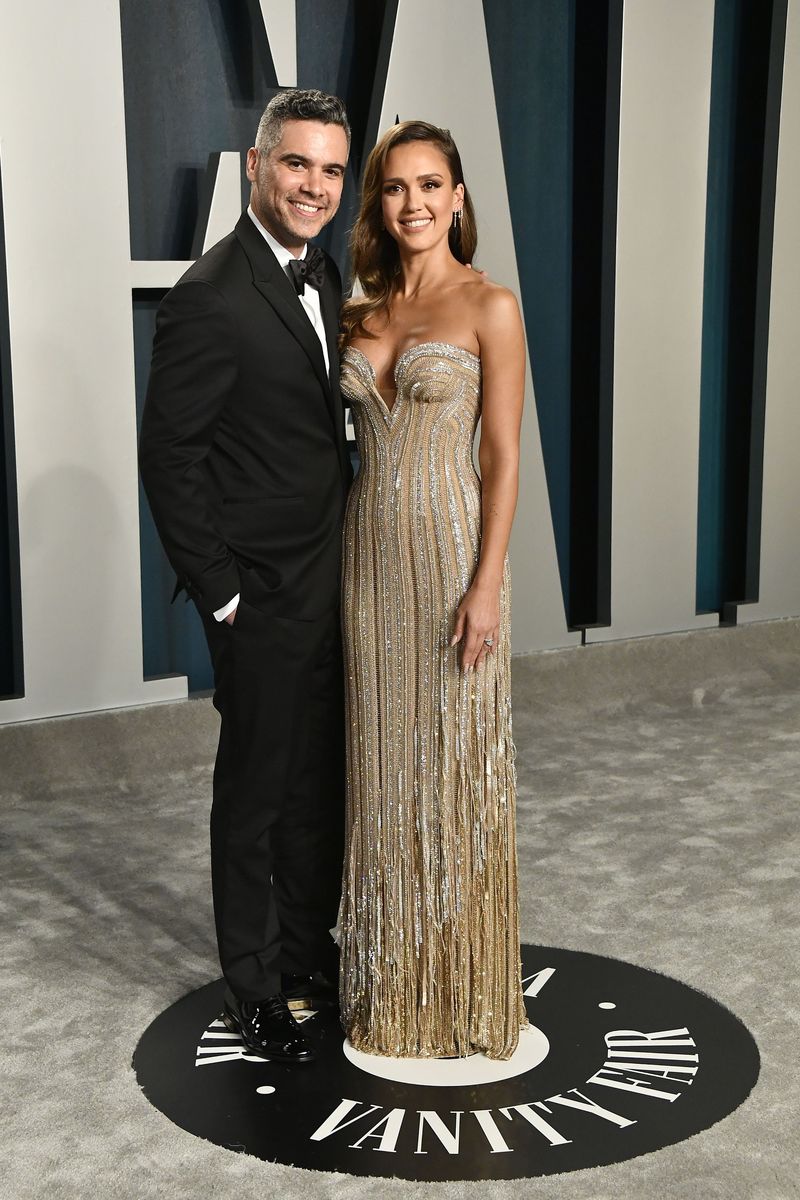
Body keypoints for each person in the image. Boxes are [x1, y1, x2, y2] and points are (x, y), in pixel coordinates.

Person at [139, 90, 352, 1064]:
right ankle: (254, 986)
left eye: (331, 170)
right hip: (259, 599)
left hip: (327, 586)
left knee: (316, 788)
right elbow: (170, 454)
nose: (314, 185)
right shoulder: (211, 293)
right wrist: (222, 592)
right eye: (297, 164)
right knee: (256, 795)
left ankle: (309, 958)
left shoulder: (324, 274)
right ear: (258, 166)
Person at [337, 120, 528, 1060]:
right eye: (395, 187)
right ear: (378, 205)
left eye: (431, 184)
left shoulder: (489, 306)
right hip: (366, 564)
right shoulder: (358, 313)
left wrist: (486, 583)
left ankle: (462, 994)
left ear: (459, 197)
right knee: (382, 771)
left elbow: (502, 456)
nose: (413, 202)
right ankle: (391, 994)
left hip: (454, 559)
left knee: (453, 768)